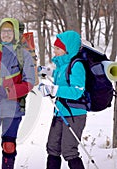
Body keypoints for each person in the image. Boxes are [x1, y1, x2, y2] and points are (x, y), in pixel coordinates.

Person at [0, 18, 35, 169]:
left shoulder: (24, 54)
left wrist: (8, 92)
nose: (7, 34)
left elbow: (29, 82)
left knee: (8, 144)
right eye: (4, 31)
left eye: (10, 31)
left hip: (13, 107)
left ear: (15, 33)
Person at [38, 30, 86, 169]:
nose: (55, 51)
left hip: (74, 115)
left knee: (69, 151)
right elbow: (61, 76)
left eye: (58, 48)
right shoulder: (63, 65)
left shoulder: (77, 65)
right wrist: (47, 71)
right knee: (52, 147)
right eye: (55, 47)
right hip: (59, 112)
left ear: (67, 49)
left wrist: (53, 90)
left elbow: (77, 91)